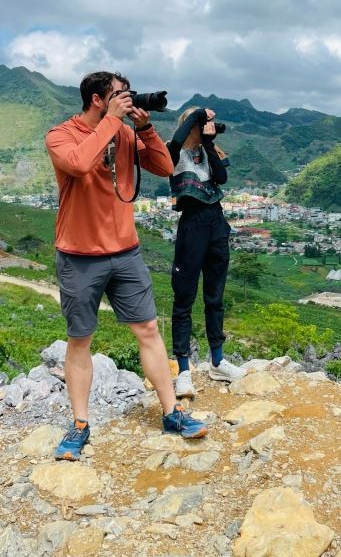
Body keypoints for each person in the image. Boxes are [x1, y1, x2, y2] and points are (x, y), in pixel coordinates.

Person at [45, 71, 207, 460]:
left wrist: (145, 129)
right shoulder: (61, 135)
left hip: (125, 252)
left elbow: (165, 167)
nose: (128, 99)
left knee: (148, 330)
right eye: (120, 95)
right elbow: (79, 164)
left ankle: (171, 413)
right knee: (80, 339)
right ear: (97, 99)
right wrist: (114, 123)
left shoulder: (125, 132)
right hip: (79, 256)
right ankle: (80, 424)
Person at [166, 106, 245, 398]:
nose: (207, 127)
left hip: (215, 223)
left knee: (215, 297)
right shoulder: (174, 152)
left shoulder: (209, 150)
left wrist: (210, 143)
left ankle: (217, 361)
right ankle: (183, 370)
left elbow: (221, 178)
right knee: (184, 299)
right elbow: (176, 141)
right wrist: (197, 114)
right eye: (202, 124)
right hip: (192, 226)